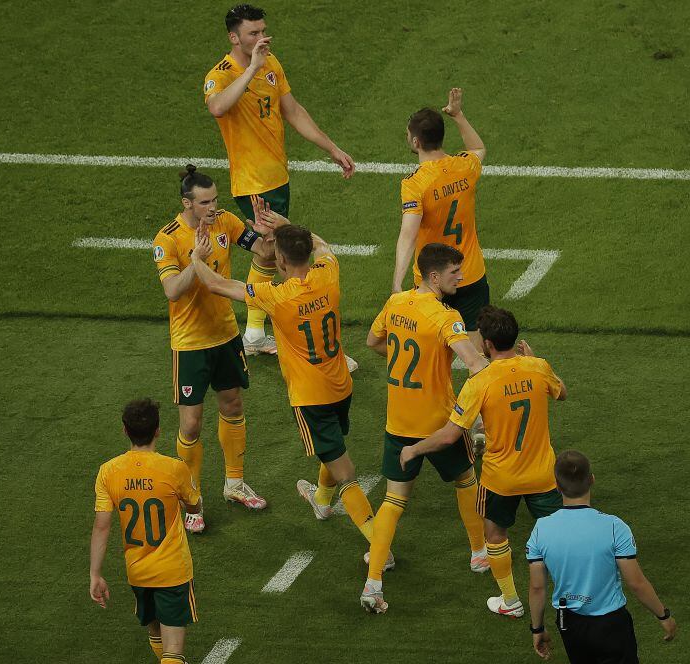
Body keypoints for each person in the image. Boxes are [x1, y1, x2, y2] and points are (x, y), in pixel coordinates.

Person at [189, 206, 380, 553]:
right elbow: (324, 248)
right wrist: (288, 225)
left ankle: (380, 545)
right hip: (342, 386)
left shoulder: (276, 297)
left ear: (280, 259)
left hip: (311, 398)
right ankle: (321, 500)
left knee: (346, 473)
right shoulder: (328, 274)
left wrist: (196, 257)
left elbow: (216, 284)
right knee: (333, 448)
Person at [204, 4, 356, 356]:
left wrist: (330, 147)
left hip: (276, 176)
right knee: (281, 252)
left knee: (269, 252)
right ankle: (293, 333)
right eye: (253, 33)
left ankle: (256, 334)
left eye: (263, 31)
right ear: (233, 37)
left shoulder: (271, 63)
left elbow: (294, 111)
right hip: (254, 182)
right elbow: (217, 107)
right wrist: (252, 67)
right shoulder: (222, 74)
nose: (261, 38)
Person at [400, 306, 566, 618]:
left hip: (501, 478)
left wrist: (414, 449)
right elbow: (562, 393)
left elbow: (450, 436)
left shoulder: (480, 383)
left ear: (487, 344)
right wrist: (534, 358)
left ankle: (511, 601)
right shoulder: (538, 367)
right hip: (542, 474)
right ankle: (571, 596)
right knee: (559, 536)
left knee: (495, 535)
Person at [358, 244, 491, 613]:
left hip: (398, 421)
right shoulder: (446, 317)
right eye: (454, 273)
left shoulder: (396, 302)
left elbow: (373, 342)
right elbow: (473, 361)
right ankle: (479, 553)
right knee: (466, 481)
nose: (460, 278)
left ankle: (373, 583)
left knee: (393, 501)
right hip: (438, 423)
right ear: (434, 276)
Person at [153, 166, 271, 533]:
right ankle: (192, 499)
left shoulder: (226, 222)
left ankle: (234, 484)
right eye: (205, 202)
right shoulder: (168, 238)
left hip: (225, 335)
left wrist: (267, 233)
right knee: (190, 422)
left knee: (233, 404)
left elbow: (262, 252)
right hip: (190, 343)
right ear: (187, 202)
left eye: (215, 199)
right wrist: (197, 260)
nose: (212, 207)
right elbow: (172, 291)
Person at [526, 451, 678, 662]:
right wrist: (664, 615)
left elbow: (537, 587)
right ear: (592, 480)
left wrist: (537, 629)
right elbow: (636, 583)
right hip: (610, 624)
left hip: (567, 621)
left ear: (557, 485)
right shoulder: (615, 527)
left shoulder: (541, 529)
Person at [89, 399, 202, 664]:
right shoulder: (173, 468)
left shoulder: (108, 471)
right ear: (158, 430)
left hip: (138, 572)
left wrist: (95, 573)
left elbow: (101, 526)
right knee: (173, 653)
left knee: (156, 634)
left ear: (125, 431)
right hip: (173, 571)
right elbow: (194, 507)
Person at [394, 88, 489, 351]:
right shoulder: (465, 166)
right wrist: (458, 115)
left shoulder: (415, 183)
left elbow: (408, 234)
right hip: (470, 273)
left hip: (432, 279)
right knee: (476, 351)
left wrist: (396, 281)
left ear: (416, 142)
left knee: (432, 347)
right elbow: (478, 147)